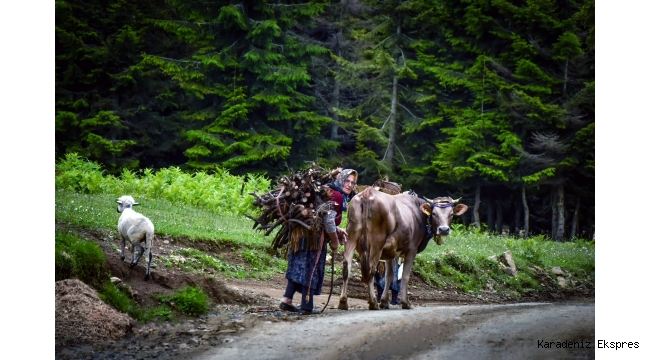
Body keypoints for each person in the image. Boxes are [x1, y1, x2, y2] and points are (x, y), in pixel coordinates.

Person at [279, 169, 358, 315]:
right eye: (347, 181)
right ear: (340, 179)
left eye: (352, 182)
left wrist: (337, 229)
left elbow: (322, 216)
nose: (350, 185)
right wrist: (334, 240)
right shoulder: (336, 196)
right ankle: (306, 306)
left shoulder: (325, 190)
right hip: (314, 239)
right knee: (311, 269)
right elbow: (328, 221)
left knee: (298, 266)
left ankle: (287, 300)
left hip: (301, 233)